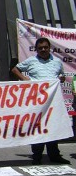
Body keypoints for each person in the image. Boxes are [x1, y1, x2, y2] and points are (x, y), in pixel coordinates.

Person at [11, 37, 70, 165]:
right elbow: (15, 69)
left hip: (53, 102)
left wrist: (61, 78)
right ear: (36, 49)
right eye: (40, 48)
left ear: (49, 48)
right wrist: (25, 80)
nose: (43, 50)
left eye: (45, 47)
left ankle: (54, 155)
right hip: (36, 102)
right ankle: (37, 156)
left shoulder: (57, 62)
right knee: (37, 127)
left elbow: (62, 76)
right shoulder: (31, 61)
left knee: (53, 128)